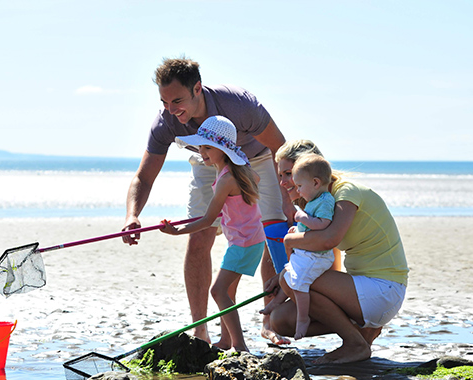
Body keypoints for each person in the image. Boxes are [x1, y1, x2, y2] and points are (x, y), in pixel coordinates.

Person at [122, 57, 292, 344]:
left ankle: (269, 322)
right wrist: (132, 215)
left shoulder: (238, 104)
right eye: (164, 102)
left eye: (177, 101)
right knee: (200, 236)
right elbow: (144, 177)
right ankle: (200, 330)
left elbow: (280, 147)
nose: (171, 110)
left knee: (272, 230)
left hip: (259, 159)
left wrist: (289, 197)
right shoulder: (166, 122)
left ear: (198, 88)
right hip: (208, 162)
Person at [263, 140, 409, 364]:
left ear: (311, 175)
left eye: (288, 174)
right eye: (280, 175)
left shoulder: (346, 192)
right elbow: (328, 257)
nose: (283, 182)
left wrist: (289, 241)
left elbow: (328, 240)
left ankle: (355, 344)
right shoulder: (321, 204)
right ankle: (363, 332)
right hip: (363, 291)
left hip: (383, 290)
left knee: (291, 279)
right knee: (281, 320)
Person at [160, 116, 265, 353]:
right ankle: (227, 341)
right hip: (249, 240)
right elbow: (254, 181)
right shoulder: (234, 172)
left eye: (208, 147)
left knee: (218, 291)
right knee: (226, 292)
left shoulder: (227, 179)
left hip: (244, 244)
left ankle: (239, 346)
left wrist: (176, 231)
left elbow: (208, 220)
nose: (201, 151)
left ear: (224, 150)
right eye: (200, 146)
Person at [260, 153, 335, 340]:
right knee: (286, 272)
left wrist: (302, 218)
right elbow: (310, 226)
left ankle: (303, 319)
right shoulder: (314, 200)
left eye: (299, 185)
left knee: (299, 284)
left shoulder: (325, 200)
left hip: (317, 256)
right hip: (307, 253)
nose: (297, 189)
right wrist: (298, 227)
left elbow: (323, 224)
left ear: (316, 183)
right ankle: (274, 304)